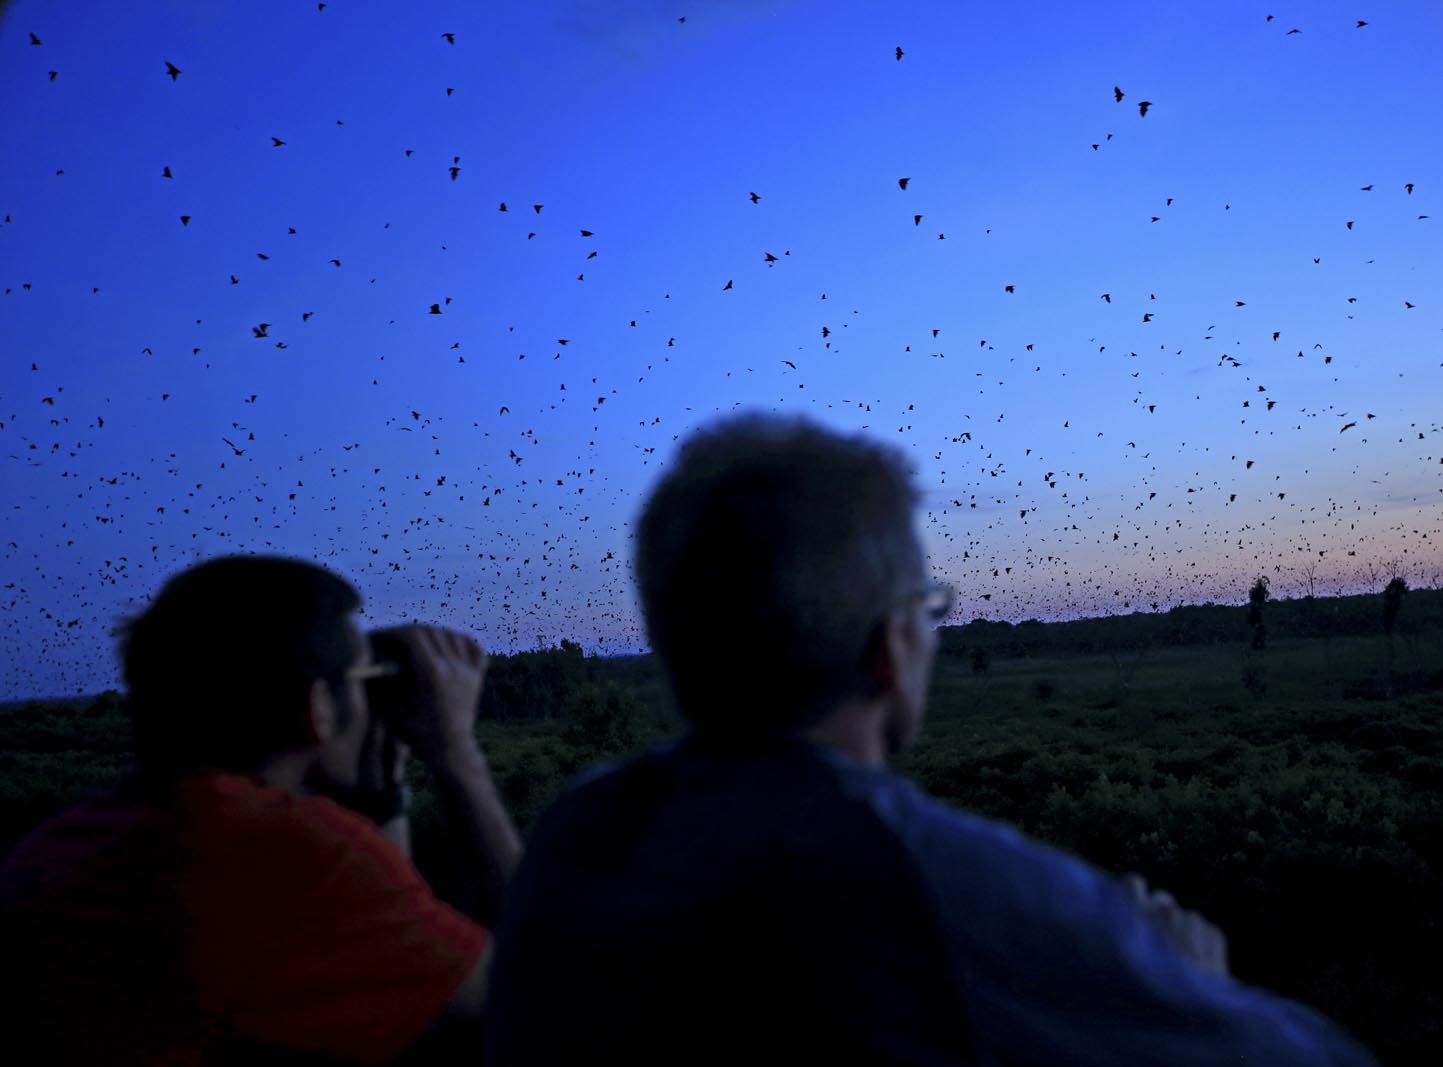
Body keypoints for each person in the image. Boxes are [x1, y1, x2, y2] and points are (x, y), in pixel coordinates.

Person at [485, 413, 1379, 1065]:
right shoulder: (934, 880)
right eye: (929, 607)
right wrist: (1189, 987)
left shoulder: (577, 831)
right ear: (889, 646)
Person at [0, 556, 523, 1065]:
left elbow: (400, 969)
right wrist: (458, 755)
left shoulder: (58, 843)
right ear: (318, 708)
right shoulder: (289, 853)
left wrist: (382, 790)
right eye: (364, 681)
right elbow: (533, 986)